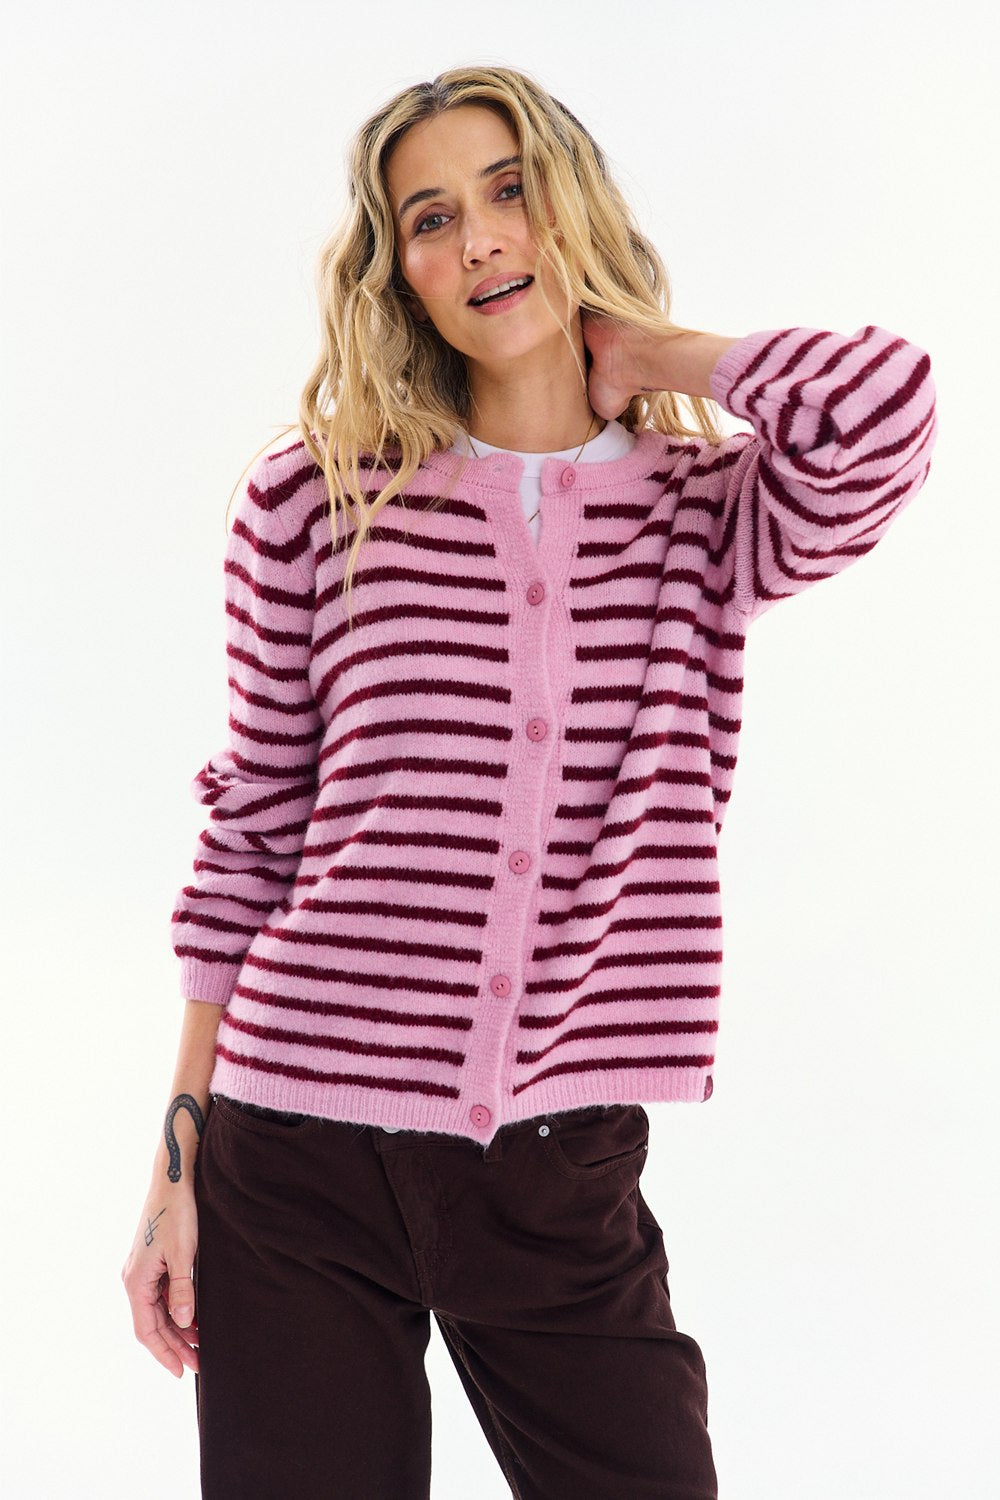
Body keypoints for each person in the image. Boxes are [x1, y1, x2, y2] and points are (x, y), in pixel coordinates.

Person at [121, 63, 938, 1500]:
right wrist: (174, 1170)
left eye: (513, 191)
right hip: (296, 1148)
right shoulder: (317, 498)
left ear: (575, 207)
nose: (482, 237)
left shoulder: (704, 513)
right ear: (400, 273)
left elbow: (886, 403)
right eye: (431, 218)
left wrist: (649, 352)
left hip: (558, 1160)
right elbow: (250, 829)